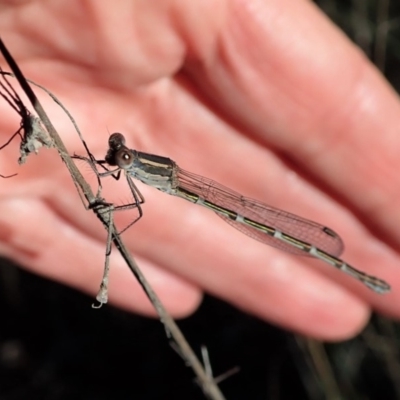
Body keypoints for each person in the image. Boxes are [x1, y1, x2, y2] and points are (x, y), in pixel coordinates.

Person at [0, 0, 398, 340]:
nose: (116, 154)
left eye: (119, 155)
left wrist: (109, 213)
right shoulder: (127, 163)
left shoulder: (139, 174)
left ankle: (356, 272)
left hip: (223, 200)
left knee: (292, 239)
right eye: (119, 152)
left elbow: (134, 208)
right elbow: (112, 173)